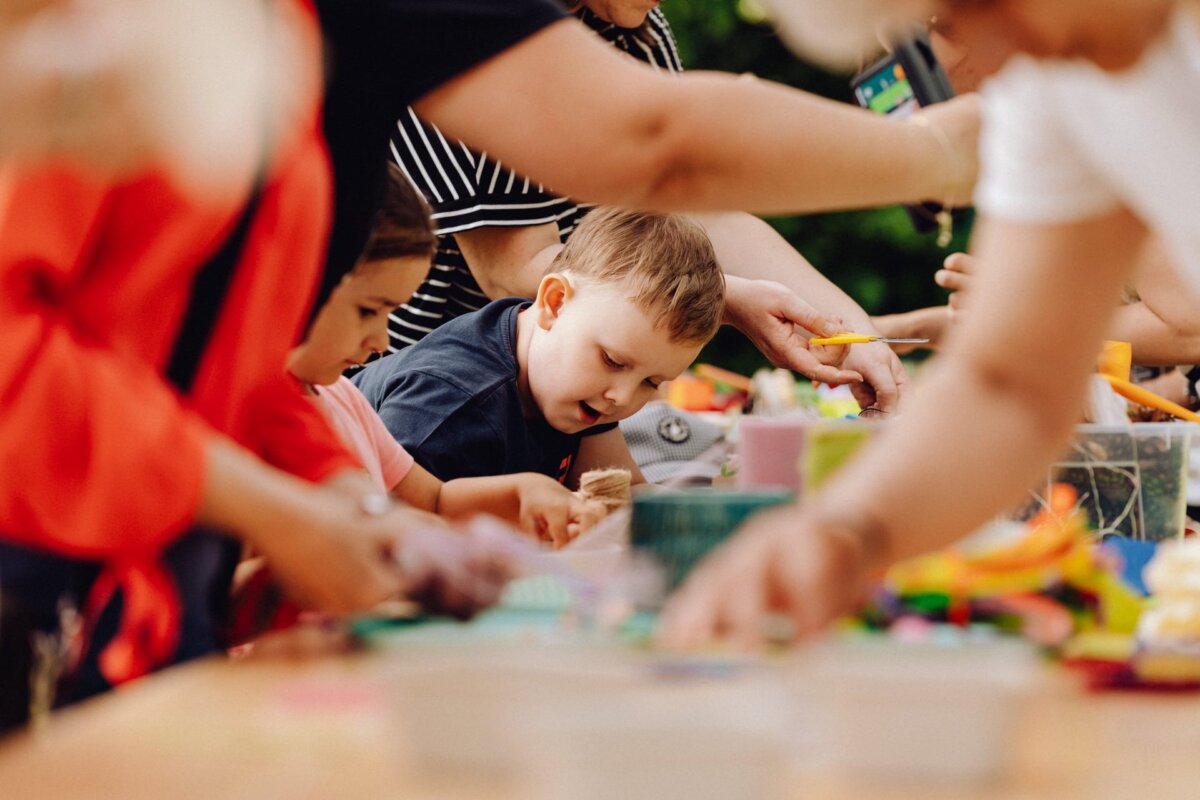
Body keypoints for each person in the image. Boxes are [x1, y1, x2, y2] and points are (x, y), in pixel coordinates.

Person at [0, 0, 519, 730]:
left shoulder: (289, 35)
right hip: (35, 568)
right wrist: (274, 513)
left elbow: (245, 365)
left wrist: (354, 504)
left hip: (155, 586)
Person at [659, 0, 1200, 647]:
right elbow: (1010, 383)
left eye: (960, 14)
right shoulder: (1057, 81)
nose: (985, 57)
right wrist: (845, 531)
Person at [313, 0, 982, 399]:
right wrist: (938, 152)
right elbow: (524, 264)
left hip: (569, 397)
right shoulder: (470, 33)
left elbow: (695, 203)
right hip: (444, 394)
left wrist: (847, 325)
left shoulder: (630, 25)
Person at [288, 168, 603, 546]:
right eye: (369, 311)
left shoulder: (342, 398)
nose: (381, 340)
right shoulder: (240, 422)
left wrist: (522, 492)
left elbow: (433, 501)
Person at [352, 208, 725, 508]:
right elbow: (391, 525)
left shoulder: (581, 384)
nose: (623, 397)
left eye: (650, 383)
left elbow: (622, 496)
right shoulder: (453, 401)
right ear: (554, 303)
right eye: (613, 361)